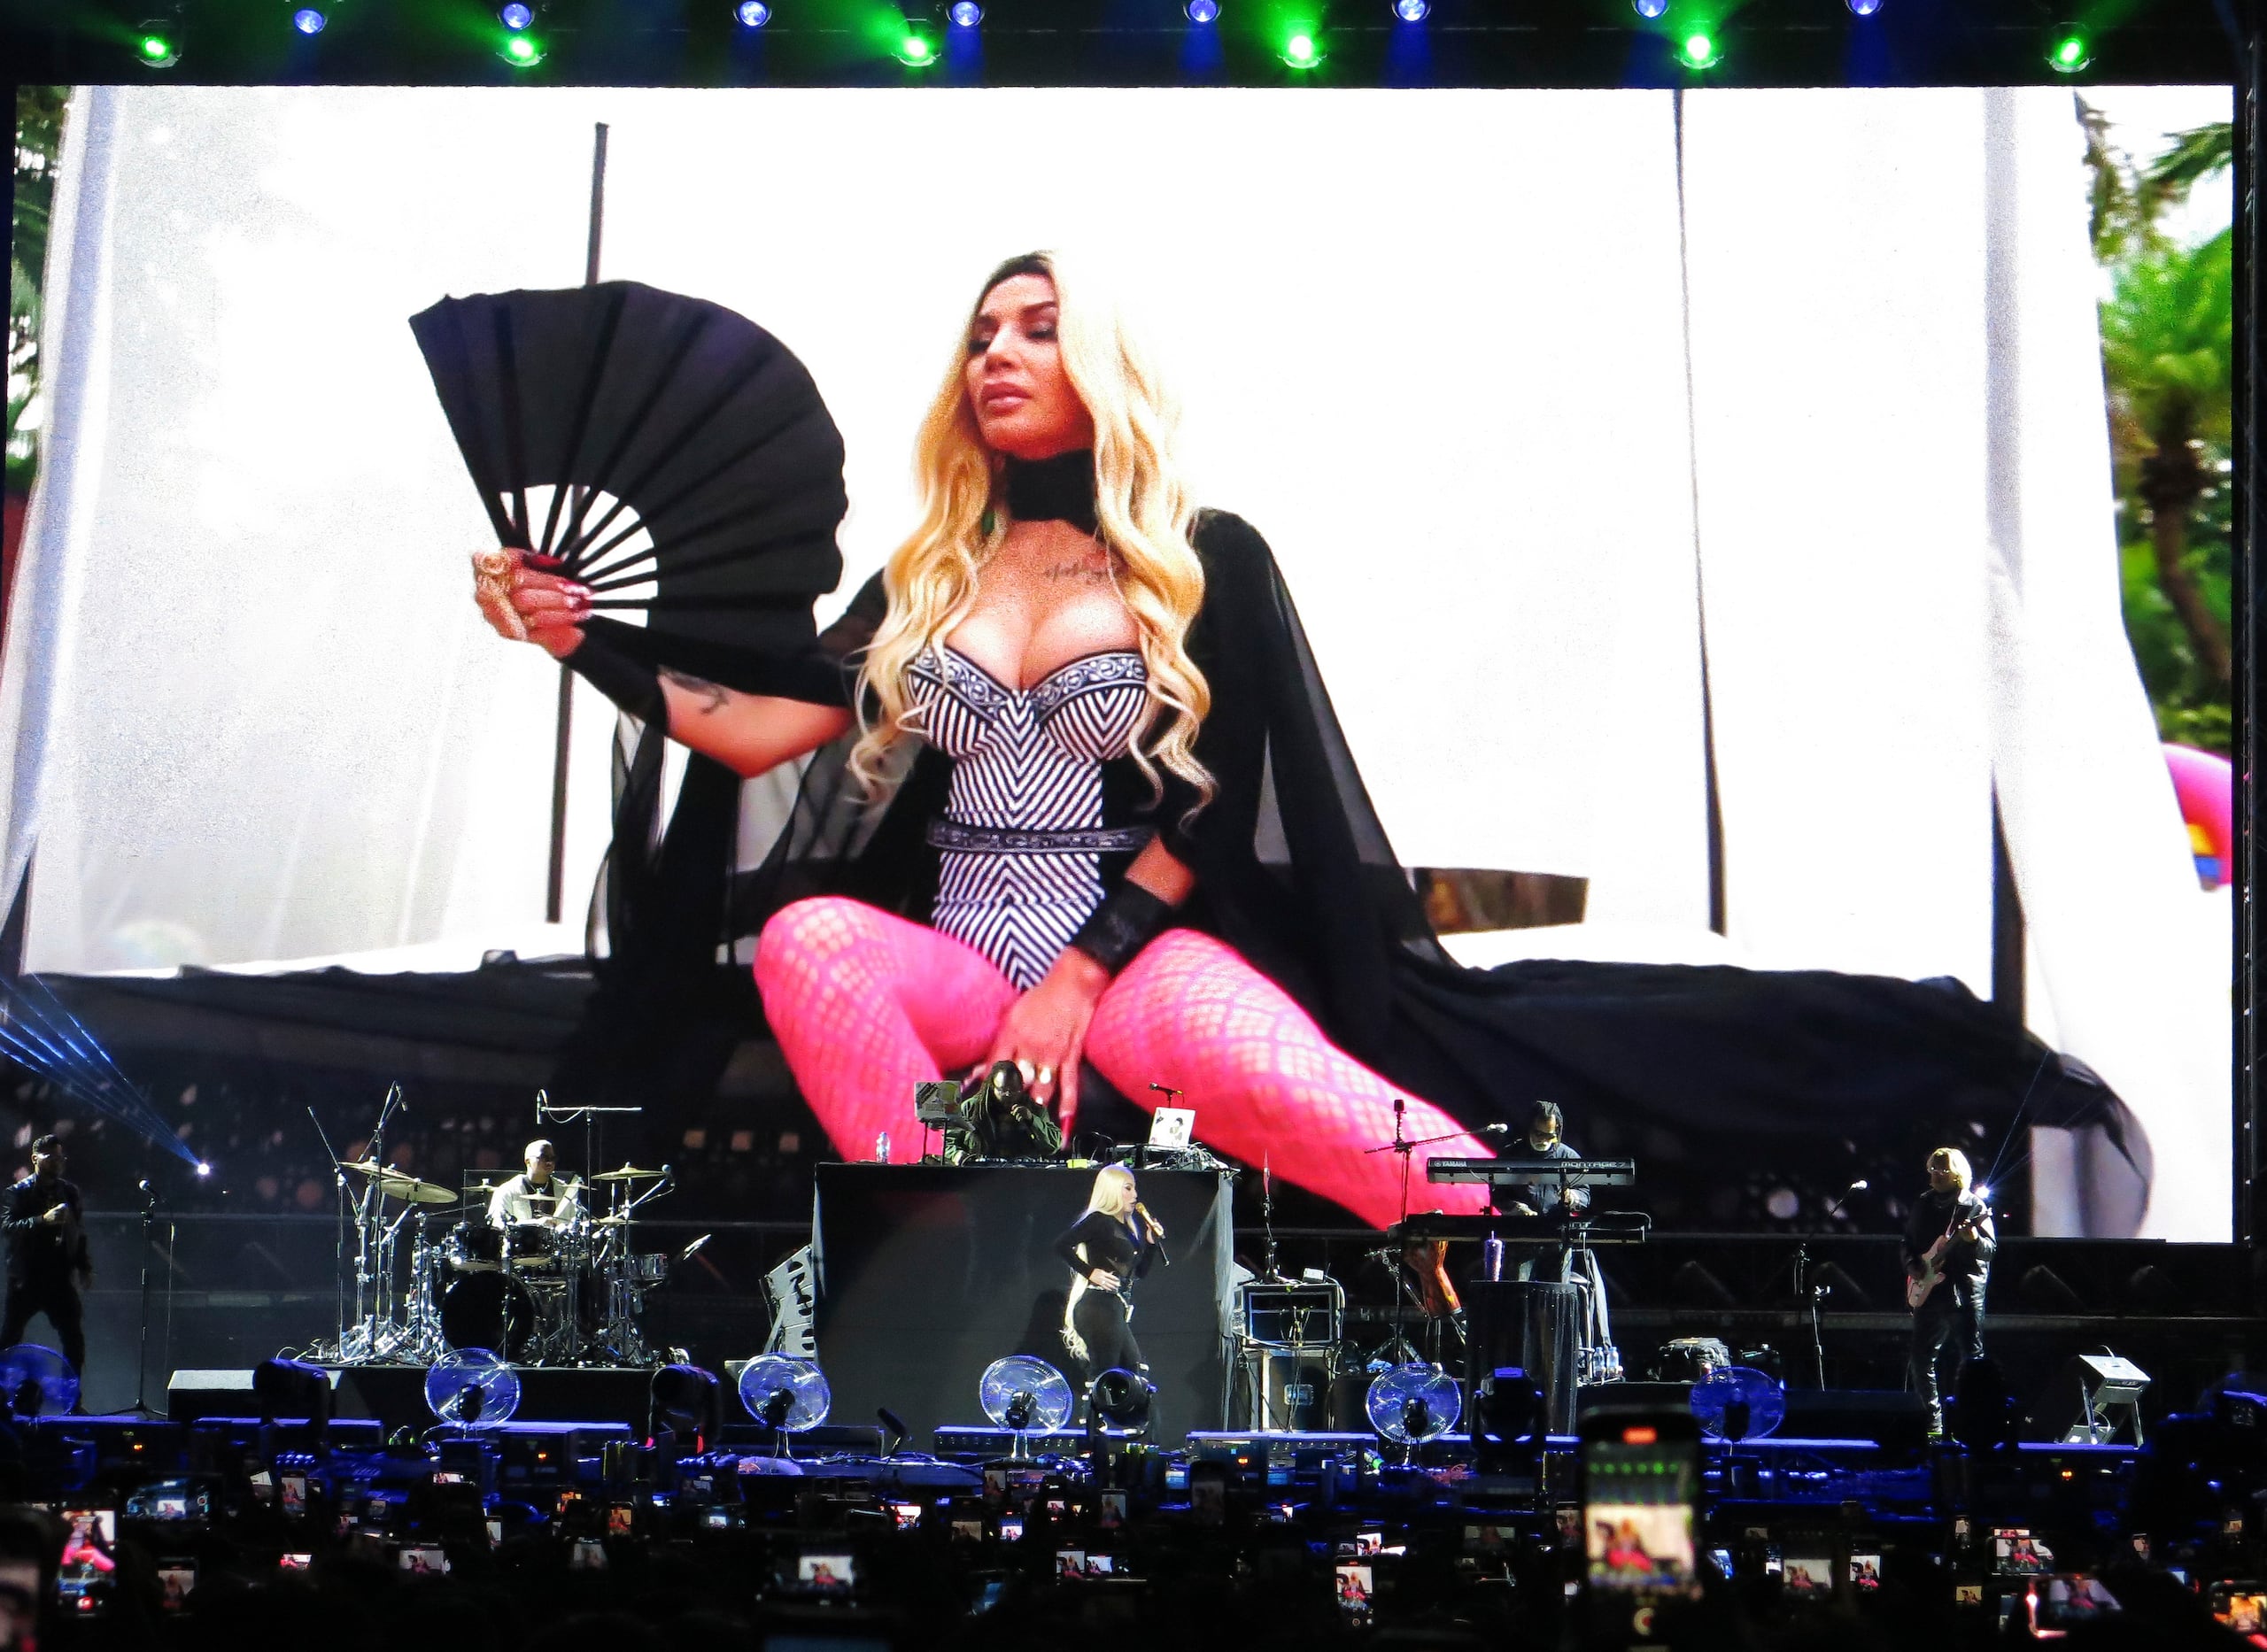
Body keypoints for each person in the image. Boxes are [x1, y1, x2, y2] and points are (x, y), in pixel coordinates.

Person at [474, 249, 2140, 1231]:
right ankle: (962, 1255)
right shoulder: (929, 576)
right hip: (958, 960)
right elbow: (761, 728)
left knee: (1413, 1163)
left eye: (1036, 325)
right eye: (981, 332)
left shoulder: (1208, 556)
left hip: (1138, 957)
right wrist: (590, 641)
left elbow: (1219, 798)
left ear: (1100, 356)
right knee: (820, 941)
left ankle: (1567, 1300)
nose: (997, 353)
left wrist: (1081, 975)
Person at [1903, 1146, 1995, 1439]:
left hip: (1963, 1292)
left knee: (1971, 1360)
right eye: (1932, 1170)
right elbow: (1907, 1242)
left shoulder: (1975, 1206)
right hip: (1930, 1291)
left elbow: (1989, 1250)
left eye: (1942, 1170)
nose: (1936, 1175)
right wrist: (1912, 1264)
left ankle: (1968, 1422)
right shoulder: (1923, 1204)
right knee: (1920, 1358)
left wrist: (1971, 1239)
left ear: (1957, 1173)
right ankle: (1933, 1422)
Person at [1052, 1165, 1161, 1379]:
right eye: (1127, 1189)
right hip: (1098, 1307)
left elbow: (1139, 1273)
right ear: (1112, 1191)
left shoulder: (1128, 1230)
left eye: (1135, 1188)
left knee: (1133, 1372)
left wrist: (1150, 1244)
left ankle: (1114, 1412)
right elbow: (1061, 1245)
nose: (1135, 1195)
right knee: (1106, 1373)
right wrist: (1089, 1272)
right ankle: (1094, 1413)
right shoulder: (1099, 1220)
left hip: (1115, 1306)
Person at [0, 1137, 89, 1380]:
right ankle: (2, 1397)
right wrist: (43, 1220)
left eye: (60, 1158)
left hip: (59, 1278)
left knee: (74, 1339)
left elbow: (77, 1231)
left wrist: (83, 1266)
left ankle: (71, 1400)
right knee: (9, 1338)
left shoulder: (69, 1192)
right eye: (51, 1158)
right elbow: (8, 1227)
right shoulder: (18, 1192)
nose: (57, 1163)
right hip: (26, 1278)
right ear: (35, 1158)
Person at [943, 1060, 1064, 1164]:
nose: (1008, 1095)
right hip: (978, 1178)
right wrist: (956, 1155)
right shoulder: (969, 1108)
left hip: (1022, 1177)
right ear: (992, 1087)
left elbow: (1052, 1146)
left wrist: (1032, 1120)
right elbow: (947, 1143)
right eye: (1002, 1090)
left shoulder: (1035, 1110)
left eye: (1014, 1090)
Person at [1504, 1100, 1590, 1218]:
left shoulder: (1569, 1156)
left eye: (1550, 1136)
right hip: (1518, 1226)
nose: (1543, 1141)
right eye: (1539, 1134)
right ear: (1529, 1128)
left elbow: (1584, 1194)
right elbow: (1498, 1195)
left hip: (1558, 1227)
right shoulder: (1510, 1154)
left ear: (1557, 1131)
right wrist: (1517, 1208)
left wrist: (1573, 1197)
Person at [487, 1139, 581, 1231]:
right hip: (520, 1245)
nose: (550, 1162)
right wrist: (536, 1224)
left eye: (553, 1159)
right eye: (544, 1158)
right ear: (527, 1161)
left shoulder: (565, 1190)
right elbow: (498, 1224)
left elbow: (575, 1223)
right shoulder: (507, 1190)